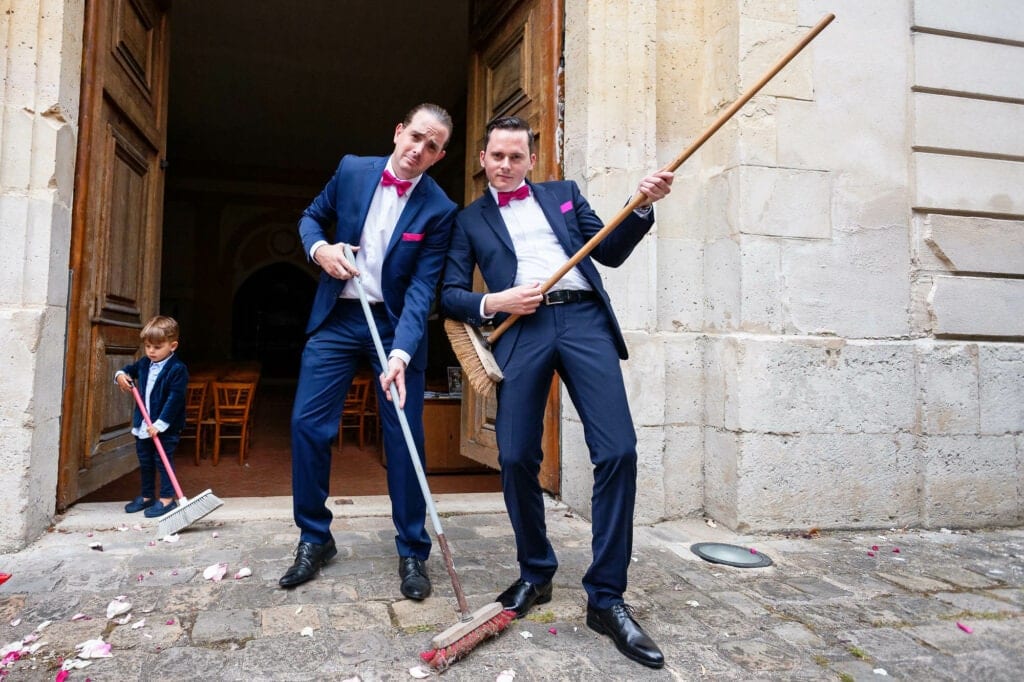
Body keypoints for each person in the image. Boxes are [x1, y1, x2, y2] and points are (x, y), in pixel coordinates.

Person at [441, 116, 673, 669]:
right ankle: (535, 573)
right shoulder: (468, 221)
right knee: (517, 454)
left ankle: (607, 598)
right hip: (523, 329)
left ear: (529, 158)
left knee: (618, 451)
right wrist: (496, 302)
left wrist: (639, 205)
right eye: (496, 156)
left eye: (515, 157)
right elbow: (450, 294)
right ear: (482, 157)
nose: (505, 165)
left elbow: (610, 251)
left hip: (585, 322)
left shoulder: (564, 195)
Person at [280, 103, 457, 597]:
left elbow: (424, 289)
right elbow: (312, 217)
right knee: (307, 426)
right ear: (398, 131)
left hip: (394, 326)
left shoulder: (440, 210)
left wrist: (401, 354)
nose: (418, 151)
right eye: (415, 137)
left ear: (439, 156)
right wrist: (321, 250)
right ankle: (315, 538)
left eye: (432, 147)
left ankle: (412, 552)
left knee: (403, 436)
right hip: (338, 315)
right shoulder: (353, 169)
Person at [115, 315, 190, 518]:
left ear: (172, 346)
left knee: (163, 461)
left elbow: (175, 399)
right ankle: (147, 495)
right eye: (148, 346)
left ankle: (167, 499)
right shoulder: (145, 363)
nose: (151, 351)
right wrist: (120, 375)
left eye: (157, 347)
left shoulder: (177, 369)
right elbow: (128, 370)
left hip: (165, 427)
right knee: (145, 461)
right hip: (143, 425)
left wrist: (160, 424)